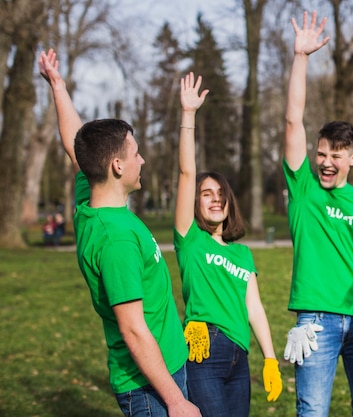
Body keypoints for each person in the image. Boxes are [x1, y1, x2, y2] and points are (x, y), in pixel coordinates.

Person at [38, 49, 201, 417]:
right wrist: (176, 401)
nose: (141, 160)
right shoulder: (116, 242)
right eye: (136, 154)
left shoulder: (91, 203)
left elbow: (73, 144)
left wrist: (58, 86)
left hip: (164, 368)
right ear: (116, 165)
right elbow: (133, 330)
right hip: (150, 387)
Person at [283, 11, 353, 417]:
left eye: (336, 155)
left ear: (352, 157)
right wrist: (301, 57)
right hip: (316, 320)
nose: (326, 162)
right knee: (313, 410)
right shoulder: (303, 189)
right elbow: (293, 120)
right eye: (321, 153)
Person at [175, 73, 283, 416]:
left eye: (221, 194)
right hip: (204, 349)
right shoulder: (189, 239)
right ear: (196, 202)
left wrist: (270, 359)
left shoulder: (242, 252)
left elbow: (255, 307)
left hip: (240, 355)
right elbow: (186, 173)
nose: (215, 199)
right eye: (207, 194)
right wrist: (188, 116)